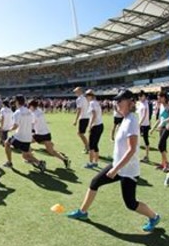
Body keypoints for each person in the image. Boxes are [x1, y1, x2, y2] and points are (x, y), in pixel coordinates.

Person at [67, 89, 161, 232]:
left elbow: (131, 150)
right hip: (118, 165)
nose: (116, 103)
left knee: (130, 203)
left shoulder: (132, 120)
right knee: (95, 182)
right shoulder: (126, 119)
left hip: (128, 170)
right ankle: (83, 212)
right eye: (116, 100)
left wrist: (115, 169)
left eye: (120, 101)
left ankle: (154, 217)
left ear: (130, 102)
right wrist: (115, 167)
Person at [3, 95, 46, 173]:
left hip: (20, 136)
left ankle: (9, 162)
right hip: (27, 137)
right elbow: (33, 122)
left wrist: (8, 130)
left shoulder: (17, 112)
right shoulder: (29, 111)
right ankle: (39, 162)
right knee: (25, 156)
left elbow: (15, 126)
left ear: (17, 102)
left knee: (6, 143)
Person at [28, 99, 71, 169]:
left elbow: (32, 124)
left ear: (32, 106)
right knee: (51, 151)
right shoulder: (39, 110)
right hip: (47, 134)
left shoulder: (34, 114)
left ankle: (31, 159)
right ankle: (65, 160)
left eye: (29, 106)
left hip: (39, 134)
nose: (29, 108)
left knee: (26, 143)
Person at [151, 91, 169, 172]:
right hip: (161, 127)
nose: (158, 99)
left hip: (167, 127)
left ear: (164, 98)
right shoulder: (161, 106)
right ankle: (163, 164)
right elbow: (160, 119)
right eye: (157, 98)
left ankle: (167, 164)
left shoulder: (167, 106)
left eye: (159, 98)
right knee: (163, 146)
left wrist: (163, 123)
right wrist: (153, 128)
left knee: (160, 146)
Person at [84, 89, 104, 168]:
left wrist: (90, 125)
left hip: (95, 126)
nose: (86, 97)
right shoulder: (96, 103)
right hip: (100, 125)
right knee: (95, 145)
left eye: (87, 96)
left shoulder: (92, 103)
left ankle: (91, 162)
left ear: (90, 96)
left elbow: (94, 114)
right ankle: (95, 162)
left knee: (91, 146)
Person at [73, 87, 90, 153]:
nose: (75, 93)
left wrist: (75, 120)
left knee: (80, 133)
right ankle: (87, 146)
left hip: (83, 117)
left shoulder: (79, 99)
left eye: (76, 92)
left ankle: (87, 146)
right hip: (87, 117)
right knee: (81, 133)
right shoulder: (86, 98)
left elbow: (79, 110)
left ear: (80, 91)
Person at [137, 91, 151, 162]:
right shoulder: (140, 103)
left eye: (140, 96)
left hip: (144, 125)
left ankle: (147, 156)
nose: (139, 97)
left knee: (146, 140)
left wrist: (139, 124)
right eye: (138, 96)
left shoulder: (145, 103)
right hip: (141, 124)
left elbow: (144, 115)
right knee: (138, 139)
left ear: (144, 96)